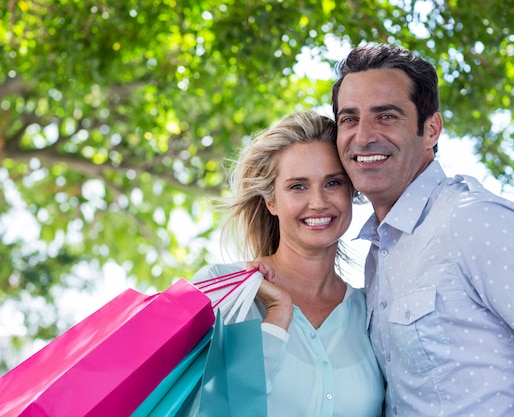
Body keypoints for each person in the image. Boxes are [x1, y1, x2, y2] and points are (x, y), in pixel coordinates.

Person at [331, 43, 514, 416]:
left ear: (431, 129)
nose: (363, 137)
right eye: (349, 119)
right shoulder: (379, 252)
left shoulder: (471, 220)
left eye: (385, 116)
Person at [191, 110, 384, 417]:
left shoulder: (373, 311)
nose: (318, 201)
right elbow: (197, 408)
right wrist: (275, 321)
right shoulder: (221, 292)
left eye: (333, 183)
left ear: (352, 192)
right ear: (271, 201)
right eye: (298, 186)